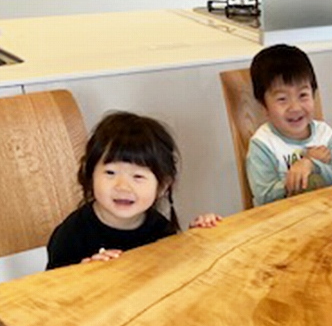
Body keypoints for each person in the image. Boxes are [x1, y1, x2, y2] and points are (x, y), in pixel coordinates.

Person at [46, 111, 221, 269]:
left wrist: (195, 237)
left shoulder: (159, 229)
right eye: (110, 173)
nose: (122, 186)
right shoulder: (71, 235)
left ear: (162, 186)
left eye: (137, 176)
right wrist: (82, 272)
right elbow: (51, 288)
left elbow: (172, 274)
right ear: (90, 175)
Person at [246, 44, 332, 206]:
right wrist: (299, 172)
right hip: (282, 218)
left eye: (303, 95)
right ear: (264, 106)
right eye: (282, 99)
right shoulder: (263, 144)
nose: (295, 107)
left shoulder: (324, 134)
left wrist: (312, 164)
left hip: (326, 211)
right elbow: (264, 197)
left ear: (313, 95)